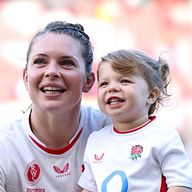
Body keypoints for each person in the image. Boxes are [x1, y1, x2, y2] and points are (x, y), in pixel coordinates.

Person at [0, 21, 111, 192]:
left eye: (66, 62)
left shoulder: (110, 131)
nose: (51, 72)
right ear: (26, 78)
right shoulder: (4, 145)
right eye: (40, 61)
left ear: (88, 81)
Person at [78, 49, 192, 192]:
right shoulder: (95, 140)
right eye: (104, 83)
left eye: (124, 81)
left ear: (151, 95)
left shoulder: (164, 136)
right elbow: (89, 187)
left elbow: (181, 184)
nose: (112, 88)